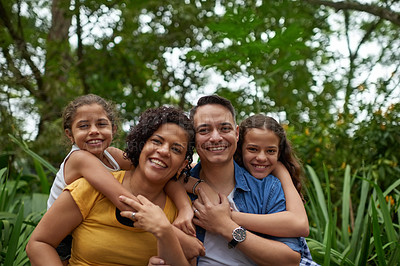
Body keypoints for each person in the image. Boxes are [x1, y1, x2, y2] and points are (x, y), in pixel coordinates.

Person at [26, 106, 202, 265]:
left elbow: (191, 254)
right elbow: (39, 243)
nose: (163, 151)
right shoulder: (89, 186)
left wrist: (166, 228)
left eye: (176, 149)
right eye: (156, 141)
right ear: (140, 145)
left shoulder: (182, 215)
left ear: (182, 164)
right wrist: (165, 227)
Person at [188, 95, 303, 265]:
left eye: (224, 128)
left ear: (236, 133)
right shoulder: (177, 183)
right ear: (192, 137)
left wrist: (227, 227)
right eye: (204, 130)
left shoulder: (268, 188)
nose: (215, 137)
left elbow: (290, 260)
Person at [233, 114, 318, 265]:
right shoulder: (230, 175)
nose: (261, 157)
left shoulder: (274, 184)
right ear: (240, 149)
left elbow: (300, 225)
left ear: (279, 153)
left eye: (270, 151)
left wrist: (229, 218)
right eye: (253, 149)